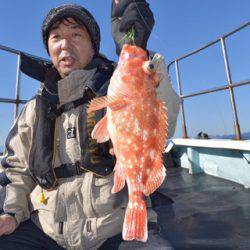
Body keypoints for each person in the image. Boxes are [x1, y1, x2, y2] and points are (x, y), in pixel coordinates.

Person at [0, 1, 180, 249]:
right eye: (56, 37)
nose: (65, 44)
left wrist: (139, 53)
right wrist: (11, 214)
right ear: (49, 48)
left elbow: (160, 123)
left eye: (75, 34)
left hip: (113, 228)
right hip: (47, 231)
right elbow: (16, 169)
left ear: (93, 45)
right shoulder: (34, 109)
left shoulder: (119, 85)